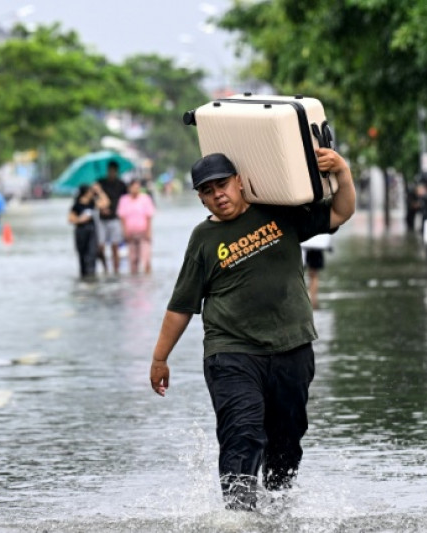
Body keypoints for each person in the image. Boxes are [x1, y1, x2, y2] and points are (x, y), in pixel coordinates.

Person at [149, 149, 356, 510]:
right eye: (208, 190)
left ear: (240, 182)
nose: (218, 195)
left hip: (292, 348)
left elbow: (341, 211)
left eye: (223, 185)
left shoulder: (280, 213)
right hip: (232, 353)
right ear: (200, 197)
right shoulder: (203, 240)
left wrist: (342, 170)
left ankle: (277, 509)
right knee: (242, 435)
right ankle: (239, 519)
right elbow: (182, 305)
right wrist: (159, 358)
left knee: (285, 444)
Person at [68, 184, 108, 279]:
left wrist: (99, 191)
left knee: (92, 254)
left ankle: (91, 277)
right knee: (82, 256)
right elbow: (70, 219)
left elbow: (105, 203)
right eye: (90, 191)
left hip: (92, 231)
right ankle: (84, 277)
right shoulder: (77, 205)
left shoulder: (92, 203)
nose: (92, 193)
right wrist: (80, 219)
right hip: (81, 231)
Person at [117, 178, 156, 274]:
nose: (136, 189)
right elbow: (122, 217)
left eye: (137, 187)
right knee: (133, 260)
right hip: (130, 234)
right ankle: (134, 283)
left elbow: (149, 216)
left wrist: (148, 232)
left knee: (146, 259)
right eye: (134, 187)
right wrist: (124, 232)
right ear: (129, 188)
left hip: (143, 233)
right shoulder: (124, 200)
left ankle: (147, 281)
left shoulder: (145, 198)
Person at [95, 161, 128, 274]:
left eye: (113, 171)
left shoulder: (121, 184)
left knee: (115, 245)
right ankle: (105, 268)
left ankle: (116, 269)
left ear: (116, 171)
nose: (111, 173)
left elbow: (125, 201)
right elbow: (95, 199)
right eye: (110, 171)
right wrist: (101, 208)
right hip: (102, 218)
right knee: (100, 245)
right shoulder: (100, 183)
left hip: (115, 217)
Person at [301, 233, 332, 309]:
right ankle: (313, 300)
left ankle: (313, 299)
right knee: (313, 274)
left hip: (312, 242)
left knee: (312, 274)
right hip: (315, 241)